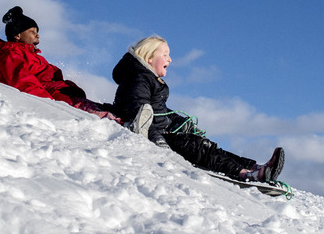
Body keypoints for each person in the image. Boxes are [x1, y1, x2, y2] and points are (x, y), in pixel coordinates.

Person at [111, 35, 284, 182]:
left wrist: (181, 122)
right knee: (199, 146)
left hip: (163, 132)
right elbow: (138, 112)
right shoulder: (139, 78)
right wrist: (157, 139)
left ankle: (255, 166)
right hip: (158, 136)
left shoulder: (147, 79)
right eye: (165, 55)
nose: (170, 59)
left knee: (210, 146)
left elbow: (160, 111)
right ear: (149, 58)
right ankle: (247, 174)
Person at [0, 6, 120, 122]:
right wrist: (50, 105)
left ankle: (124, 117)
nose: (37, 35)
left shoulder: (32, 55)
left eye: (37, 31)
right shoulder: (9, 54)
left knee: (104, 108)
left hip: (61, 95)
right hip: (53, 99)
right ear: (17, 35)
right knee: (99, 115)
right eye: (32, 31)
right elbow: (23, 82)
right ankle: (118, 122)